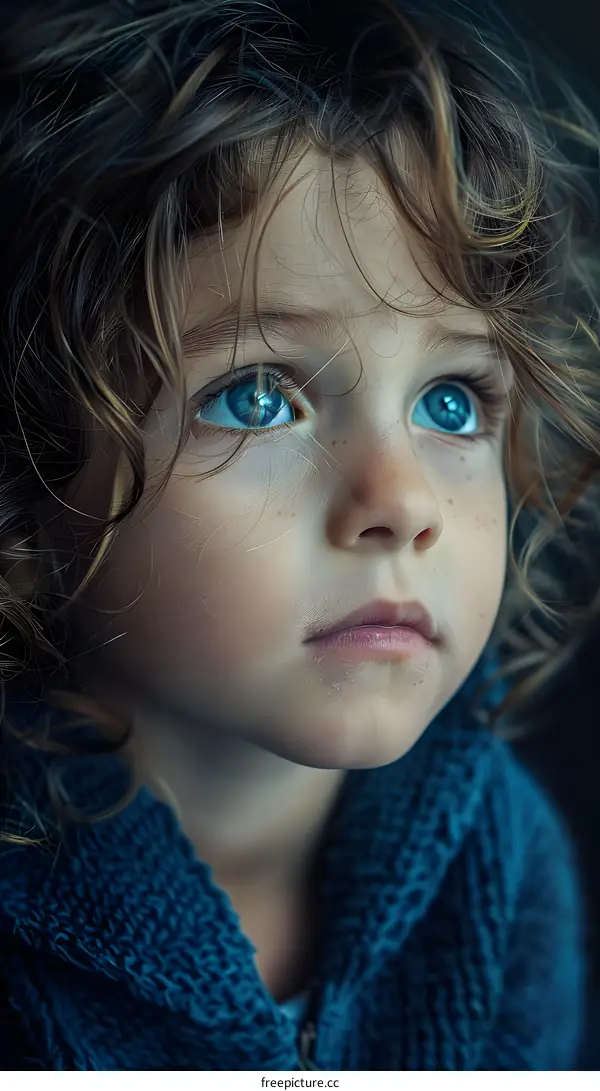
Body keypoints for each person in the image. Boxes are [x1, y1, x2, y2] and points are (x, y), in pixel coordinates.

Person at [0, 0, 598, 1072]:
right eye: (259, 398)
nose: (402, 500)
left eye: (452, 402)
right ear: (29, 497)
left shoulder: (504, 875)